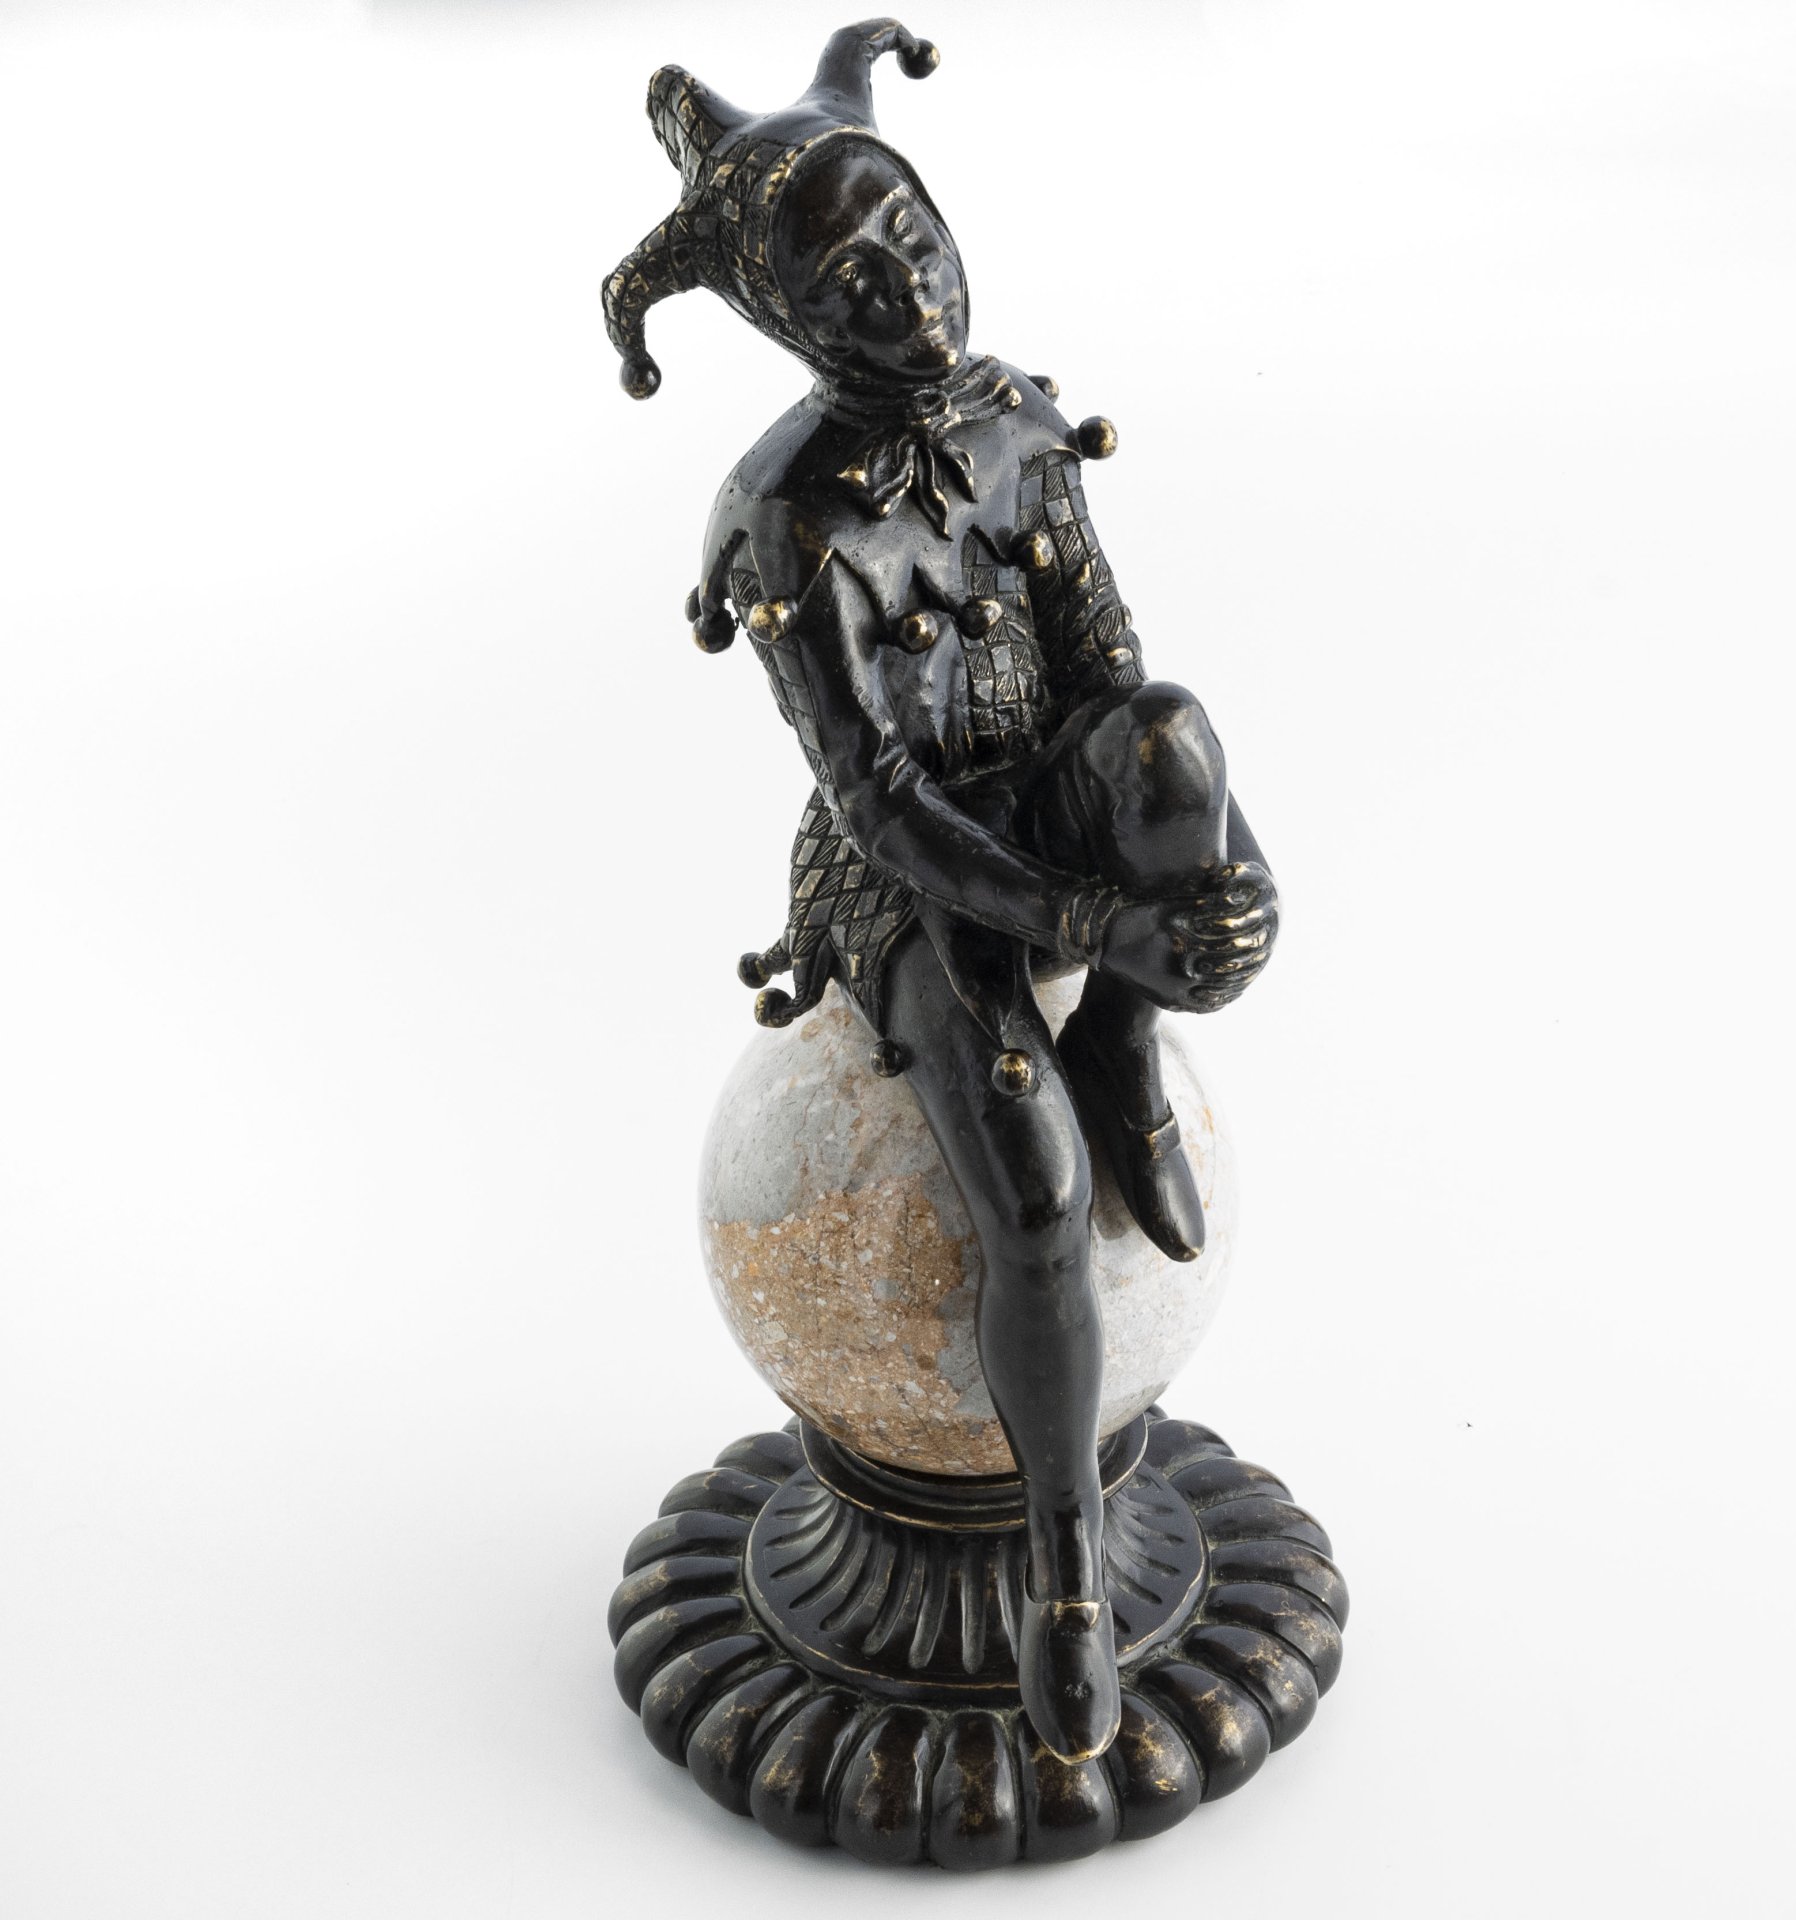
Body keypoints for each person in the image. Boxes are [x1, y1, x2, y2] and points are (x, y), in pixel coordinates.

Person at [603, 19, 1278, 1764]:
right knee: (1033, 1196)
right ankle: (1062, 1571)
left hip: (1041, 800)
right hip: (903, 878)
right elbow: (885, 802)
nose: (909, 295)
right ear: (790, 324)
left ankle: (1121, 1045)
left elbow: (1109, 680)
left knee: (1168, 739)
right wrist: (1088, 923)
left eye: (912, 236)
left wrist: (1223, 886)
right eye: (849, 287)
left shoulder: (1021, 430)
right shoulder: (788, 520)